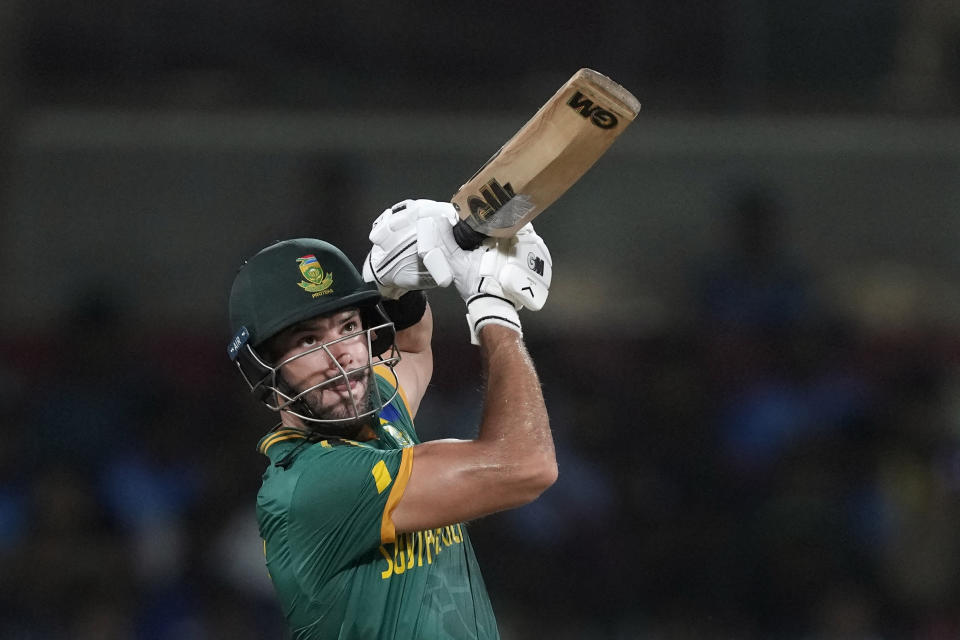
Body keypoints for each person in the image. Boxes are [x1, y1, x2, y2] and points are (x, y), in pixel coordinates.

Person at [226, 199, 556, 639]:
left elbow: (414, 347)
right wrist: (493, 310)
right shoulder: (310, 487)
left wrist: (396, 288)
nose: (341, 354)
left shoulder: (370, 412)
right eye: (308, 340)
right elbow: (527, 465)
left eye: (347, 327)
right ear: (265, 370)